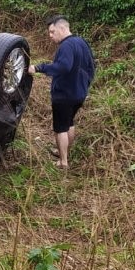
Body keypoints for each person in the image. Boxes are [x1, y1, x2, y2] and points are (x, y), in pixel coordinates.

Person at [28, 15, 95, 170]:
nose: (50, 36)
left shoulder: (66, 46)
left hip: (64, 94)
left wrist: (38, 68)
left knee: (60, 128)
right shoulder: (82, 42)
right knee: (69, 123)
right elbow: (91, 66)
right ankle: (62, 151)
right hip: (79, 93)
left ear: (62, 28)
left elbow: (63, 67)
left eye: (52, 32)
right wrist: (85, 85)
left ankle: (63, 162)